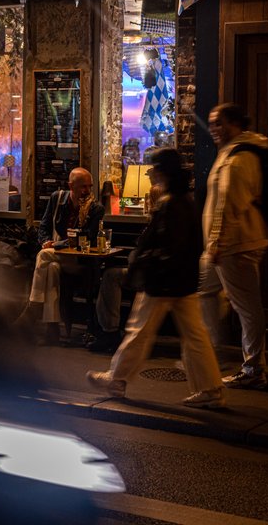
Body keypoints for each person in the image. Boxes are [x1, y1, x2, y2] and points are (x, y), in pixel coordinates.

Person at [86, 149, 227, 408]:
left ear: (163, 172)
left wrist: (149, 267)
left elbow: (165, 245)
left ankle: (117, 379)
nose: (150, 174)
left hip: (163, 281)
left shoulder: (170, 203)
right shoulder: (185, 200)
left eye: (153, 169)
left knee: (138, 330)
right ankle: (210, 388)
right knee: (195, 336)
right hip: (182, 280)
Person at [199, 102, 268, 390]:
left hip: (234, 245)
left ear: (235, 123)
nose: (214, 129)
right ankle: (208, 354)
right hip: (221, 247)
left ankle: (253, 368)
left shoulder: (240, 158)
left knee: (247, 308)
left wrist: (218, 242)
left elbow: (230, 205)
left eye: (219, 123)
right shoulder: (230, 152)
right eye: (212, 123)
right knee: (204, 293)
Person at [15, 167, 105, 345]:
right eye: (82, 187)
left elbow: (86, 236)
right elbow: (44, 226)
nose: (87, 191)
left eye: (90, 186)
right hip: (55, 257)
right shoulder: (57, 198)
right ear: (71, 185)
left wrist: (55, 245)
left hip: (80, 260)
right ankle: (52, 329)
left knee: (44, 256)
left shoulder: (96, 208)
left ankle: (33, 307)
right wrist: (45, 241)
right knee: (51, 268)